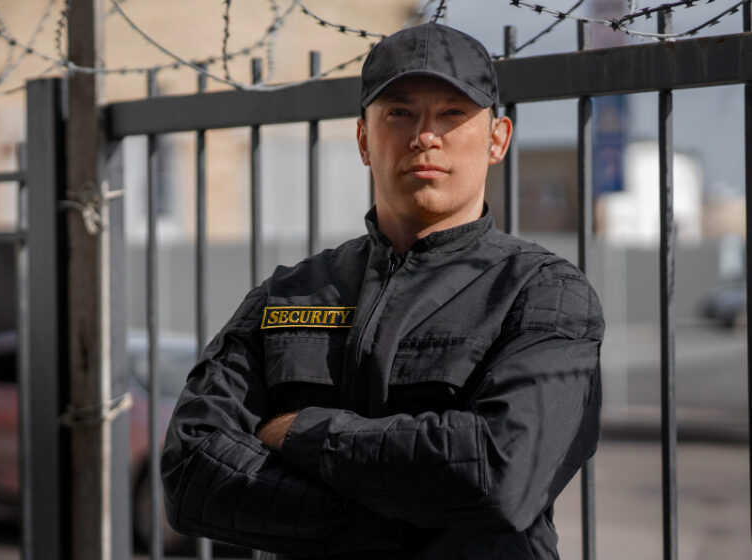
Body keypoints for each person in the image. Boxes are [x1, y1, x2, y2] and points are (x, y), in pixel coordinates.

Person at [161, 22, 603, 560]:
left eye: (452, 113)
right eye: (399, 113)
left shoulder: (542, 294)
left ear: (497, 139)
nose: (425, 136)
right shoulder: (290, 295)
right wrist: (405, 521)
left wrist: (303, 432)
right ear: (364, 139)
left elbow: (500, 473)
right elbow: (190, 472)